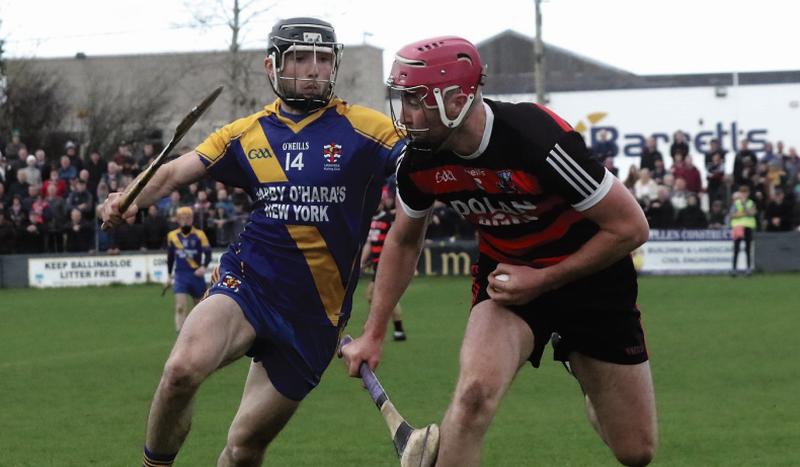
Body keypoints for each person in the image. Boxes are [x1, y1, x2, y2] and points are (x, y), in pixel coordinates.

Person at [100, 17, 404, 467]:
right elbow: (173, 172)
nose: (313, 68)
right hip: (248, 286)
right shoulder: (245, 133)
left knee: (244, 449)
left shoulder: (367, 129)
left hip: (314, 317)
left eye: (322, 58)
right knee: (182, 369)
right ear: (272, 66)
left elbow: (419, 170)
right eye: (300, 57)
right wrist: (129, 199)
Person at [342, 36, 657, 467]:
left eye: (416, 100)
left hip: (592, 283)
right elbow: (403, 239)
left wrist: (545, 279)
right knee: (473, 396)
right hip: (507, 281)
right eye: (402, 99)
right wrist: (374, 331)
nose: (406, 115)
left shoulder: (538, 139)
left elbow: (630, 227)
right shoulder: (419, 159)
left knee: (635, 451)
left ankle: (583, 366)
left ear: (456, 99)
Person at [360, 186, 406, 341]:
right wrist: (363, 262)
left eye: (379, 201)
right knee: (376, 296)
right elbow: (369, 243)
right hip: (377, 264)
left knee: (377, 296)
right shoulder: (372, 220)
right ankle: (395, 329)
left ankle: (386, 328)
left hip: (385, 264)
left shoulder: (388, 218)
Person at [165, 206, 212, 332]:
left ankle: (200, 333)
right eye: (182, 218)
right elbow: (170, 257)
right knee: (180, 307)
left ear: (192, 219)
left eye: (187, 218)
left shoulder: (200, 235)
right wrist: (169, 275)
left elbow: (208, 253)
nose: (185, 221)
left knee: (200, 307)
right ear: (178, 220)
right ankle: (180, 335)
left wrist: (204, 267)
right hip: (180, 275)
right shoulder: (172, 236)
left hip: (196, 275)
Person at [730, 185, 757, 276]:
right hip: (738, 228)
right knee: (736, 249)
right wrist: (745, 213)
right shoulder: (736, 203)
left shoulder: (750, 202)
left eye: (745, 192)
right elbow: (732, 215)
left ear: (748, 193)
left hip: (748, 227)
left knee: (748, 249)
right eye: (742, 192)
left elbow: (752, 213)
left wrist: (742, 211)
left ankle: (748, 268)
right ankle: (734, 269)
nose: (744, 194)